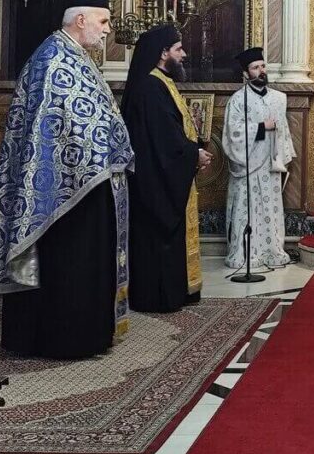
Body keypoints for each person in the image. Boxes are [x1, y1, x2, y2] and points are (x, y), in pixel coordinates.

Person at [0, 0, 133, 359]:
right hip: (63, 190)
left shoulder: (76, 57)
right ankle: (62, 338)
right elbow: (56, 126)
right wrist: (99, 155)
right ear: (81, 19)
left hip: (85, 184)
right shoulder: (53, 60)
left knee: (82, 261)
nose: (108, 30)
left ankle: (87, 332)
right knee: (66, 262)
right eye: (103, 21)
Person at [122, 24, 211, 313]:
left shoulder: (161, 82)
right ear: (163, 53)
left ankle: (177, 290)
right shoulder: (150, 86)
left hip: (163, 175)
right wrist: (193, 154)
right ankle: (158, 297)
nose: (183, 54)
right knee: (157, 240)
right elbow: (162, 140)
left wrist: (193, 150)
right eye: (178, 49)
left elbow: (173, 129)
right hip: (155, 181)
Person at [223, 47, 294, 269]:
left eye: (263, 66)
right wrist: (262, 127)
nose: (261, 71)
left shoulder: (278, 99)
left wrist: (282, 156)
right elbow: (233, 133)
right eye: (255, 68)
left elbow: (284, 131)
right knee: (246, 208)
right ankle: (246, 253)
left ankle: (271, 250)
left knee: (270, 208)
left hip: (270, 163)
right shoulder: (238, 100)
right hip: (247, 164)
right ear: (246, 73)